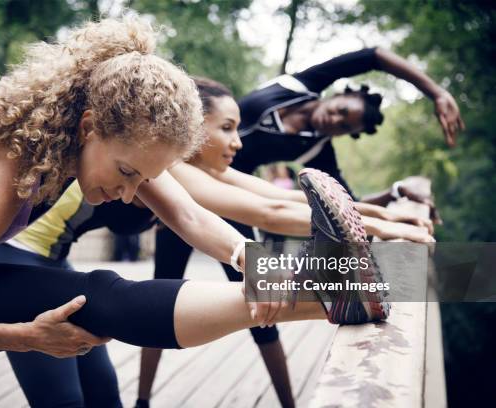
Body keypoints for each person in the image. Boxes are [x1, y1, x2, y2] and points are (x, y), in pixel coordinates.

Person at [0, 18, 386, 407]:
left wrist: (250, 256)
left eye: (141, 180)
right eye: (126, 173)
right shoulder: (2, 173)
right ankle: (336, 292)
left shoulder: (102, 138)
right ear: (89, 127)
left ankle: (339, 286)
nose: (130, 194)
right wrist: (25, 337)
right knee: (93, 308)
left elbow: (188, 218)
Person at [136, 77, 434, 408]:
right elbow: (271, 213)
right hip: (72, 244)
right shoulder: (171, 165)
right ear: (194, 123)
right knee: (167, 296)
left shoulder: (209, 169)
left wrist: (388, 217)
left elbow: (284, 198)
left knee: (263, 306)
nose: (238, 142)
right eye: (227, 128)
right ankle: (142, 399)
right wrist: (389, 228)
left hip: (202, 228)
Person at [222, 47, 464, 215]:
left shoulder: (317, 152)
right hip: (188, 152)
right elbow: (373, 56)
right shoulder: (301, 85)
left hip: (222, 186)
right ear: (339, 95)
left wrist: (396, 191)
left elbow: (350, 204)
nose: (335, 120)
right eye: (342, 110)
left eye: (345, 126)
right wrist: (437, 93)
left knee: (248, 274)